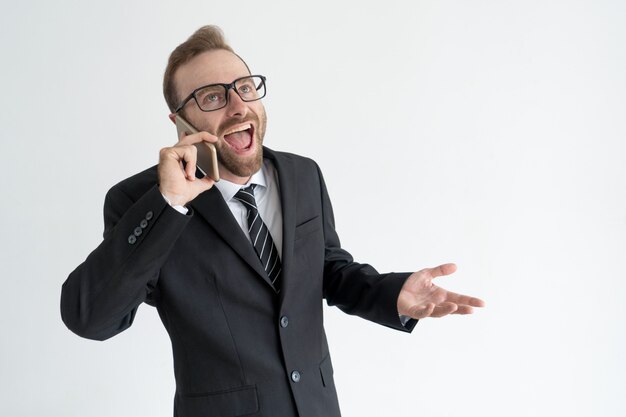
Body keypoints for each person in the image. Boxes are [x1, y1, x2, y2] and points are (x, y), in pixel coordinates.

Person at [61, 25, 485, 417]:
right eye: (212, 96)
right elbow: (91, 318)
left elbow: (328, 271)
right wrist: (169, 200)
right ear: (179, 122)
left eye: (245, 88)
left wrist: (393, 294)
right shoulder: (142, 202)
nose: (238, 105)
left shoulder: (303, 175)